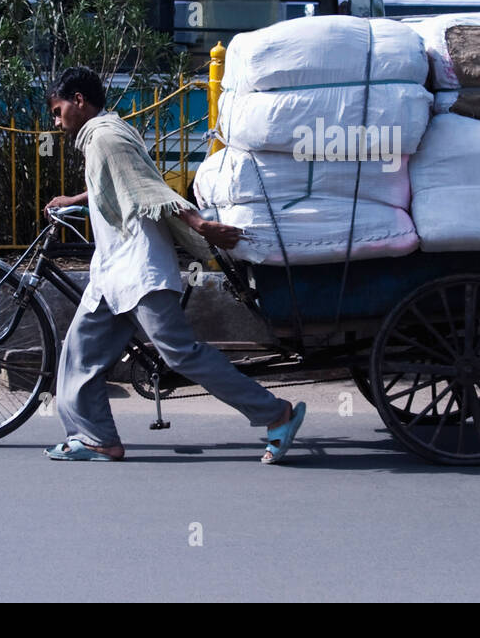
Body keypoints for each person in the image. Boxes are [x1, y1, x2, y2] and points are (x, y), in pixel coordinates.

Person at [43, 65, 306, 463]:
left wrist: (200, 224)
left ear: (78, 101)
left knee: (180, 354)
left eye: (59, 109)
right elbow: (120, 181)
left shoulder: (104, 137)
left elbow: (148, 188)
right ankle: (97, 438)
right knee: (79, 353)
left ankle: (276, 413)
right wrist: (76, 200)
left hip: (137, 270)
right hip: (112, 273)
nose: (56, 120)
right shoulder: (108, 133)